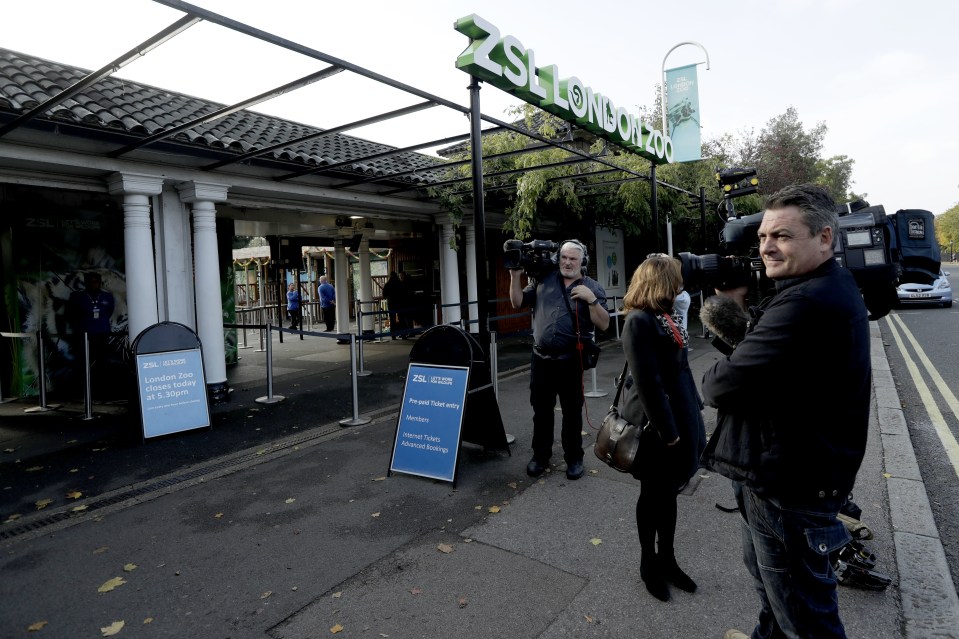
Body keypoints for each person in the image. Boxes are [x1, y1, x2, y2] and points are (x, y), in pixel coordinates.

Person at [699, 184, 871, 639]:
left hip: (790, 488)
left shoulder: (806, 302)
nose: (766, 246)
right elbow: (773, 369)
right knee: (776, 599)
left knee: (806, 620)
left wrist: (722, 352)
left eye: (782, 236)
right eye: (762, 237)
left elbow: (720, 386)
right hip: (787, 474)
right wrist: (738, 310)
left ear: (825, 238)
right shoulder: (818, 286)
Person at [620, 254, 706, 602]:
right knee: (652, 495)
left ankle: (667, 559)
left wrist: (694, 413)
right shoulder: (639, 321)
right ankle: (648, 564)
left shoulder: (664, 315)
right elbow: (648, 385)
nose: (681, 283)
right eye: (677, 278)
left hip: (680, 418)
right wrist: (669, 432)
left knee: (667, 494)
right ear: (662, 280)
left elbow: (680, 370)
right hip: (657, 429)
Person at [509, 239, 610, 480]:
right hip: (541, 359)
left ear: (582, 261)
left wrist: (591, 300)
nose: (567, 262)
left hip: (570, 360)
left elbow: (604, 323)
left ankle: (574, 458)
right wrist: (515, 276)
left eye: (572, 258)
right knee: (541, 411)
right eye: (564, 257)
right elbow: (517, 303)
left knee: (572, 412)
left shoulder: (592, 287)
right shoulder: (544, 279)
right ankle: (540, 457)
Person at [68, 272, 116, 392]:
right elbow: (71, 315)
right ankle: (84, 389)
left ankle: (101, 389)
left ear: (100, 283)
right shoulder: (77, 297)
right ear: (85, 283)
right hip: (84, 335)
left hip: (102, 334)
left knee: (102, 363)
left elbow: (109, 311)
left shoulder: (107, 297)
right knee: (83, 363)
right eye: (90, 282)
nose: (93, 284)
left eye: (95, 282)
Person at [382, 271, 403, 339]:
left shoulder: (388, 284)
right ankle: (403, 334)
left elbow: (384, 294)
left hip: (391, 303)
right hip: (399, 302)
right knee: (401, 318)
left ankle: (393, 335)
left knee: (392, 319)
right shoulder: (399, 283)